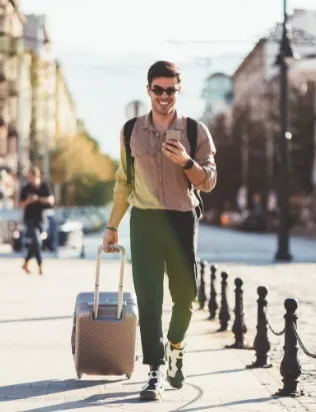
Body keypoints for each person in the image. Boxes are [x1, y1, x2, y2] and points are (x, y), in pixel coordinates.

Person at [102, 60, 217, 401]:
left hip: (181, 220)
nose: (164, 96)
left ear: (179, 91)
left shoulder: (196, 131)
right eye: (158, 89)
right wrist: (112, 226)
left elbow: (209, 181)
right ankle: (154, 370)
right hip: (145, 220)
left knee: (186, 296)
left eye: (171, 90)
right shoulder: (130, 131)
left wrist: (186, 161)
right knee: (149, 300)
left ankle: (176, 346)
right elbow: (123, 183)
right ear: (148, 89)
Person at [19, 166, 54, 275]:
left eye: (30, 177)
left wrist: (38, 199)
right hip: (29, 219)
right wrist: (28, 201)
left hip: (41, 218)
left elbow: (51, 200)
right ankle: (40, 266)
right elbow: (20, 205)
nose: (29, 179)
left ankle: (25, 263)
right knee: (37, 240)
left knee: (36, 242)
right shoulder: (25, 188)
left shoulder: (44, 186)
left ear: (36, 176)